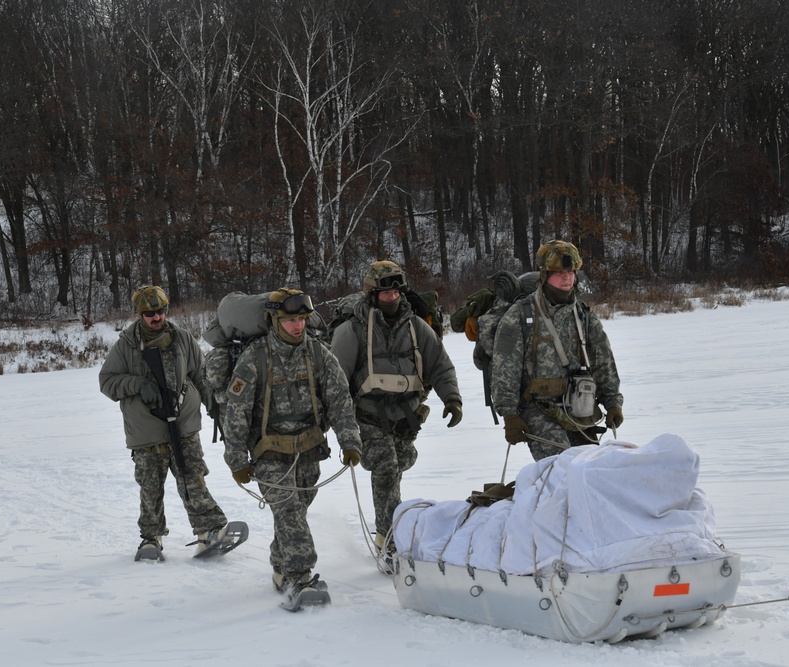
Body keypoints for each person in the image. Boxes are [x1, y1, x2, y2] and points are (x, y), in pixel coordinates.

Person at [222, 288, 362, 602]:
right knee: (289, 514)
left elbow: (340, 400)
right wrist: (236, 459)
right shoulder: (255, 356)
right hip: (268, 453)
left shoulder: (318, 353)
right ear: (274, 320)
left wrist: (350, 441)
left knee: (296, 511)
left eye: (302, 319)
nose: (298, 326)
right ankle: (301, 579)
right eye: (290, 320)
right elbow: (237, 411)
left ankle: (279, 566)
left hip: (309, 449)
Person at [329, 260, 462, 559]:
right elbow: (334, 379)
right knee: (386, 468)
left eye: (396, 293)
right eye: (385, 294)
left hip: (406, 417)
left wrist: (452, 399)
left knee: (400, 464)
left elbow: (441, 365)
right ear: (372, 294)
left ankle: (388, 530)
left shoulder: (416, 327)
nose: (392, 298)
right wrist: (339, 423)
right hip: (367, 416)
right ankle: (388, 540)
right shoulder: (352, 331)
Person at [99, 285, 234, 562]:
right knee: (150, 487)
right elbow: (107, 382)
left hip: (183, 425)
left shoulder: (182, 338)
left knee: (192, 478)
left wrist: (215, 409)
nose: (156, 318)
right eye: (149, 314)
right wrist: (137, 384)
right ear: (139, 314)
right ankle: (151, 539)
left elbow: (202, 376)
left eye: (159, 311)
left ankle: (209, 531)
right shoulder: (126, 345)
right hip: (147, 431)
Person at [490, 240, 624, 461]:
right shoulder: (519, 316)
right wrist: (509, 414)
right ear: (544, 275)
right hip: (538, 408)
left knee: (593, 468)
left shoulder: (583, 315)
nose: (567, 277)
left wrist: (612, 403)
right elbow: (505, 370)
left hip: (580, 406)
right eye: (559, 272)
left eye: (571, 272)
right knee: (563, 467)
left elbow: (604, 362)